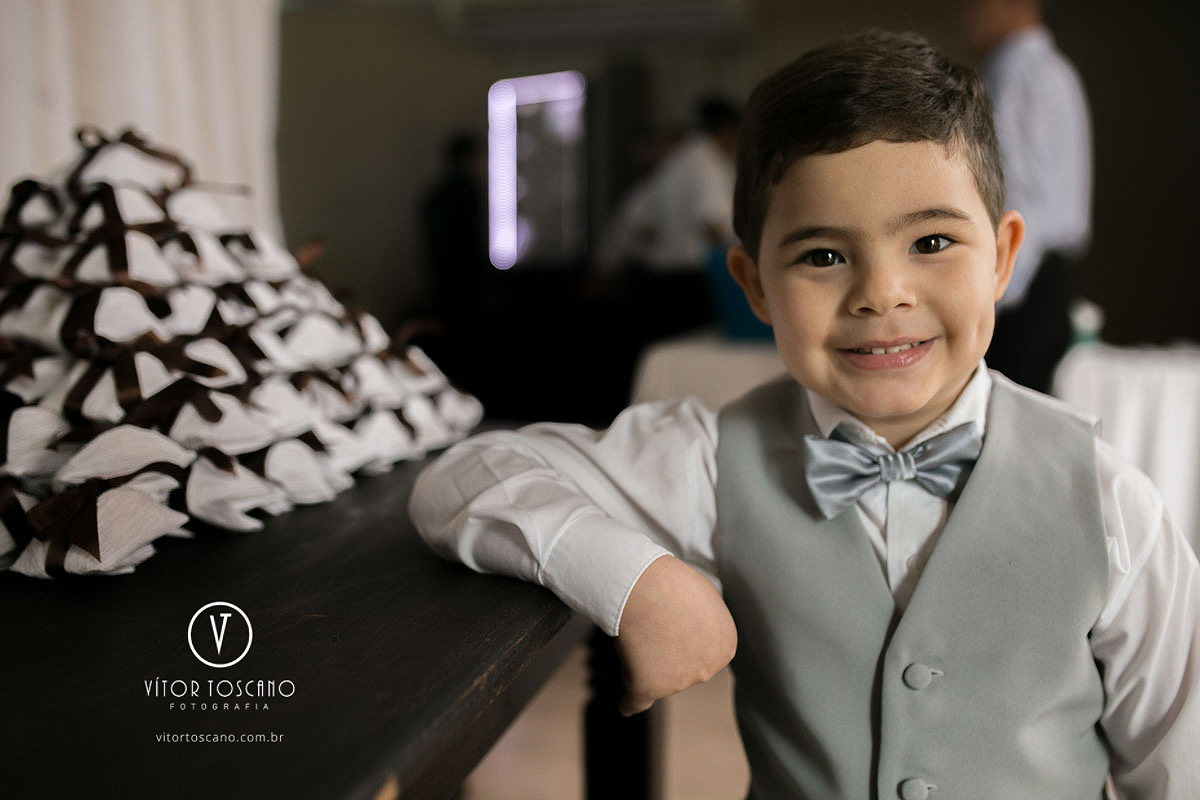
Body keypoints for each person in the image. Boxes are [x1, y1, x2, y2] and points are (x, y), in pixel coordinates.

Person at [410, 30, 1199, 799]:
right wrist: (636, 578)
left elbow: (1181, 762)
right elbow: (466, 475)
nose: (880, 294)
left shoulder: (1109, 501)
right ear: (754, 286)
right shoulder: (714, 458)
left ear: (1001, 256)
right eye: (823, 255)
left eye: (930, 240)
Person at [961, 0, 1093, 392]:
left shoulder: (1022, 75)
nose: (966, 12)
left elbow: (1023, 197)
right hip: (1032, 277)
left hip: (1023, 279)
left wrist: (991, 294)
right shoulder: (1048, 71)